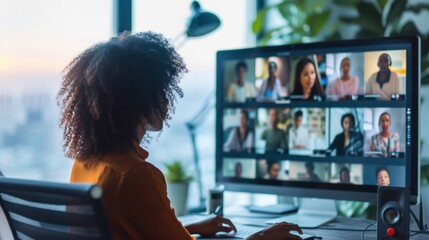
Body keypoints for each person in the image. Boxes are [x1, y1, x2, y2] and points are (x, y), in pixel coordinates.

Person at [58, 31, 302, 240]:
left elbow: (125, 231)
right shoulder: (136, 174)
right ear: (135, 102)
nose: (166, 101)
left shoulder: (85, 163)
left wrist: (188, 228)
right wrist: (260, 237)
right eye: (160, 92)